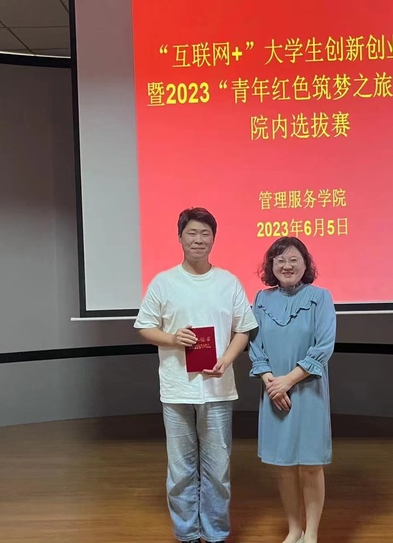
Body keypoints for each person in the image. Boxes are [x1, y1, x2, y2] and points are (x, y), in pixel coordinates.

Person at [134, 207, 258, 543]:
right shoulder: (164, 282)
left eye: (205, 233)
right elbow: (144, 326)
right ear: (180, 237)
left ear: (214, 239)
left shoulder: (228, 282)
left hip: (218, 388)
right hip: (176, 388)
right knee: (180, 469)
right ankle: (187, 533)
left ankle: (215, 533)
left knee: (218, 468)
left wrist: (227, 360)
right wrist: (173, 339)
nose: (198, 239)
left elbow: (244, 329)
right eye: (192, 233)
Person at [248, 237, 336, 543]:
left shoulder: (320, 297)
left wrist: (288, 381)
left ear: (305, 264)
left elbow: (323, 347)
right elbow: (255, 347)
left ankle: (311, 534)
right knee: (284, 467)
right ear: (271, 265)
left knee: (310, 466)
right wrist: (271, 382)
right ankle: (294, 529)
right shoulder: (261, 299)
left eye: (294, 260)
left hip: (308, 390)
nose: (287, 265)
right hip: (274, 393)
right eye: (280, 260)